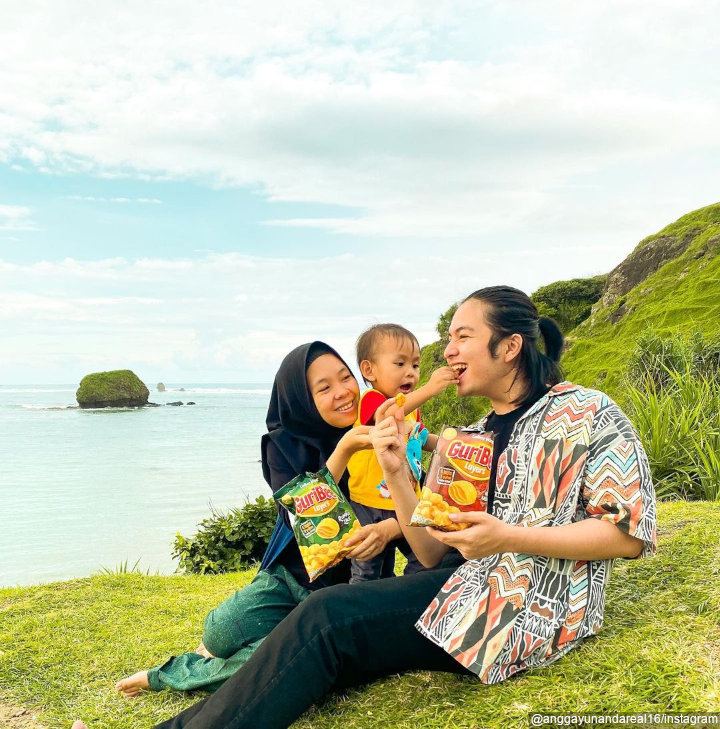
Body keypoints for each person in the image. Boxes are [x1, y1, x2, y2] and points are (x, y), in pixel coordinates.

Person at [73, 286, 657, 729]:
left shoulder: (586, 412)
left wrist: (509, 538)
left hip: (522, 609)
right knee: (321, 630)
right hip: (460, 586)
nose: (446, 350)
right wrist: (400, 471)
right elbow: (430, 547)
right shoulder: (467, 438)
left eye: (461, 336)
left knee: (324, 620)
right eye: (448, 337)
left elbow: (626, 535)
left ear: (509, 347)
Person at [114, 341, 394, 696]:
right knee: (219, 632)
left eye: (345, 378)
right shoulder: (282, 445)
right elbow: (304, 513)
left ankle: (171, 674)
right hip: (289, 575)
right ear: (300, 398)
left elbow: (406, 504)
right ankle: (262, 638)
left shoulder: (375, 430)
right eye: (324, 388)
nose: (343, 392)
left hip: (343, 589)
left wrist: (388, 528)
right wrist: (345, 449)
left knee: (279, 656)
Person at [347, 323, 458, 582]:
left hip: (407, 500)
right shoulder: (372, 399)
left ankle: (403, 595)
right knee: (368, 568)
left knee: (423, 561)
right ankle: (362, 608)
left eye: (415, 366)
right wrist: (430, 389)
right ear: (369, 370)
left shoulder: (410, 409)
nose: (410, 373)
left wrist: (456, 447)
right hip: (368, 502)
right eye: (400, 364)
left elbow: (420, 437)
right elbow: (386, 415)